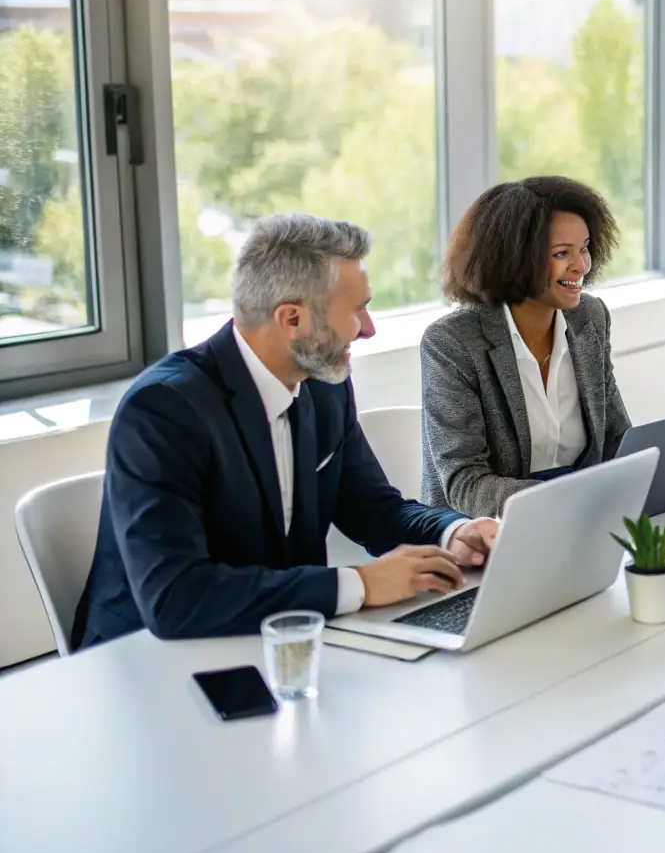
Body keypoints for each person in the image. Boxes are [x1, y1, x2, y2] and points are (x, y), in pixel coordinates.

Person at [72, 215, 499, 648]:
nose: (369, 329)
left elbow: (375, 510)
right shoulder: (163, 410)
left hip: (277, 642)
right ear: (292, 319)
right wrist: (360, 585)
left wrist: (454, 532)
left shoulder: (325, 386)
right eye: (356, 310)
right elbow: (176, 598)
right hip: (148, 660)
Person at [420, 176, 631, 520]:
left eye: (585, 247)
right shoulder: (452, 342)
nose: (581, 265)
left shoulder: (589, 318)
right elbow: (465, 484)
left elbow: (616, 439)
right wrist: (573, 496)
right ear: (516, 258)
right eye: (562, 253)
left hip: (580, 518)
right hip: (483, 531)